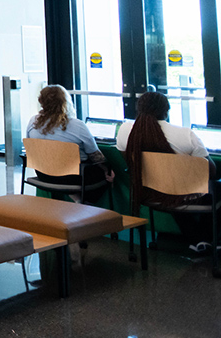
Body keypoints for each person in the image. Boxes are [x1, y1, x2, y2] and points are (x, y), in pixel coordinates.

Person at [118, 91, 216, 251]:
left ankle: (198, 239)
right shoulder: (186, 135)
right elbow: (210, 171)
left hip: (148, 193)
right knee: (210, 188)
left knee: (173, 189)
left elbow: (130, 161)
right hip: (183, 195)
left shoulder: (125, 131)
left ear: (138, 109)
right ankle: (209, 238)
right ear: (166, 111)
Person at [25, 85, 111, 203]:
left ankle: (76, 200)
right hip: (73, 178)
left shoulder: (32, 122)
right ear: (65, 101)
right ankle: (87, 205)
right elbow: (96, 156)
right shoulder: (77, 125)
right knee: (105, 172)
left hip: (43, 174)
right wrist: (107, 169)